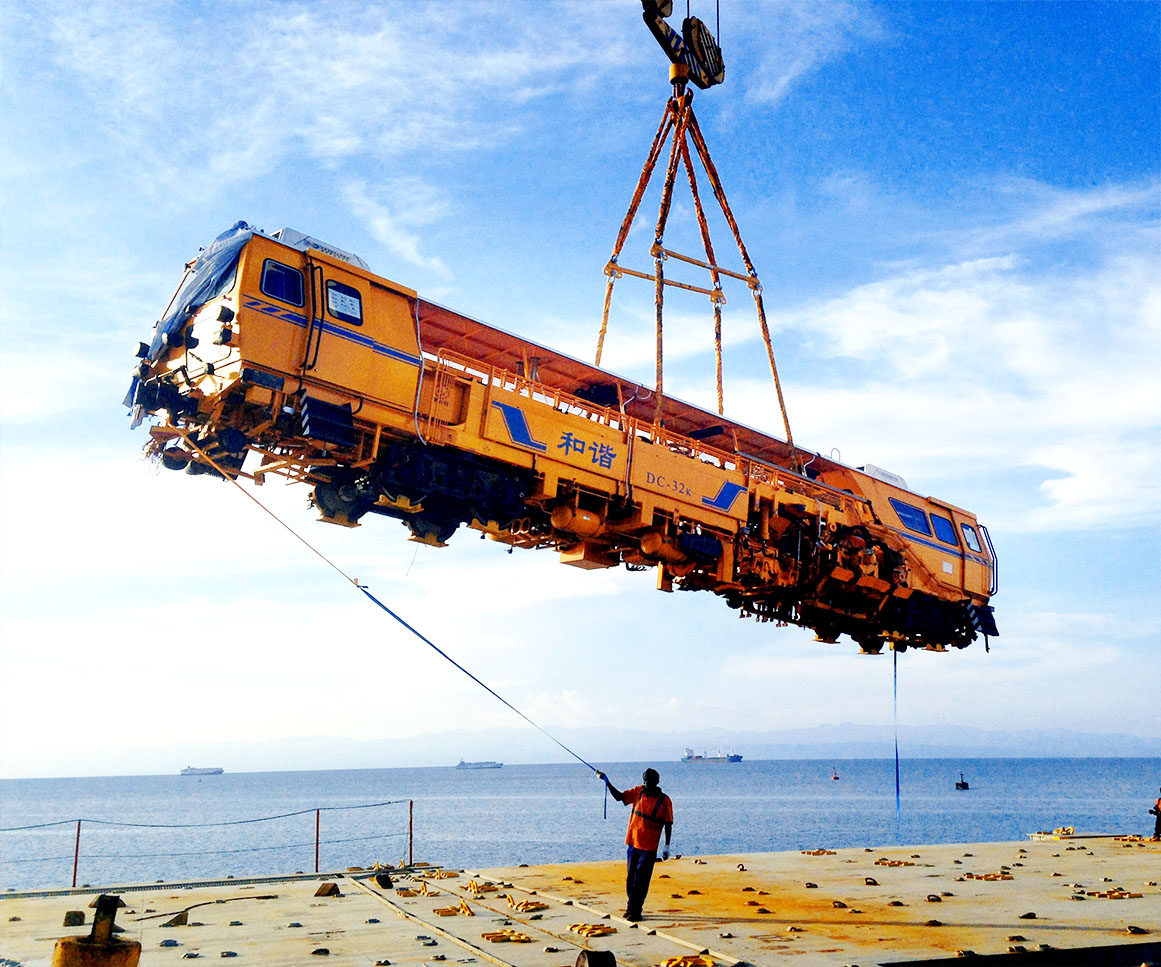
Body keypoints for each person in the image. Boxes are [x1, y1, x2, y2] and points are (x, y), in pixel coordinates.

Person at [596, 767, 673, 921]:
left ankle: (635, 911)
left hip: (649, 847)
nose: (646, 784)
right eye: (645, 781)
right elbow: (619, 797)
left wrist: (667, 846)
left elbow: (668, 823)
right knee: (631, 878)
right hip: (633, 843)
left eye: (649, 781)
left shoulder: (665, 800)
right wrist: (606, 781)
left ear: (656, 782)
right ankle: (631, 907)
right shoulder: (638, 791)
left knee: (641, 879)